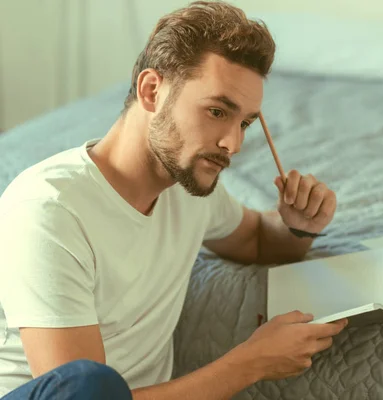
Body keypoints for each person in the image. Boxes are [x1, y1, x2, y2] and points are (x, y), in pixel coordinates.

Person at [0, 1, 347, 398]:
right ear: (152, 91)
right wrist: (250, 363)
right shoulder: (48, 211)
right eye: (217, 111)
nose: (232, 144)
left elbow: (257, 240)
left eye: (245, 123)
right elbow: (81, 394)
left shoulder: (188, 187)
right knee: (92, 383)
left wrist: (299, 224)